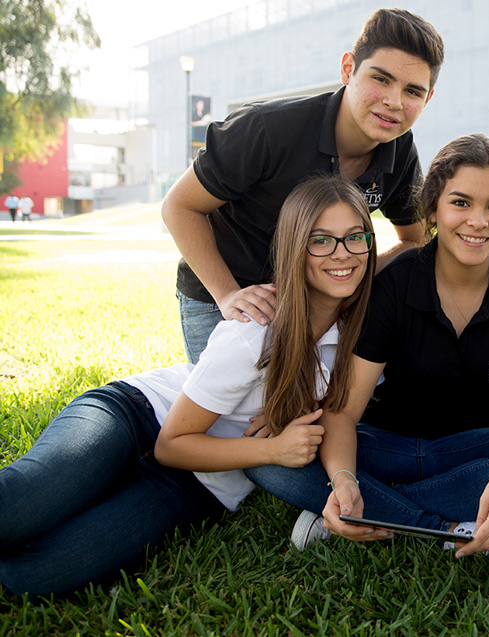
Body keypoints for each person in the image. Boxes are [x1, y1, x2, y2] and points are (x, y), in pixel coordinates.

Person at [0, 176, 375, 597]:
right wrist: (274, 450)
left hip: (200, 482)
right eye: (320, 240)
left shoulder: (364, 337)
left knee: (33, 577)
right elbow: (171, 443)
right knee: (15, 511)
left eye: (355, 237)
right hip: (139, 416)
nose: (342, 254)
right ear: (294, 248)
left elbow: (343, 413)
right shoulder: (256, 328)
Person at [245, 134, 489, 557]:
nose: (478, 221)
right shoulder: (396, 281)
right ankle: (442, 527)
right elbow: (343, 410)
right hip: (386, 445)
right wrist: (346, 476)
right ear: (433, 206)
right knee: (268, 458)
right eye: (460, 203)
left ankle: (369, 508)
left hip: (471, 450)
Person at [161, 8, 444, 363]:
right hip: (229, 292)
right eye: (381, 79)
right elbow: (179, 206)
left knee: (332, 407)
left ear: (428, 98)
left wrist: (346, 271)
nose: (394, 102)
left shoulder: (400, 150)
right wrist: (228, 294)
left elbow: (414, 239)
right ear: (347, 69)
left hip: (317, 303)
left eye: (413, 91)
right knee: (238, 414)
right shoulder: (266, 129)